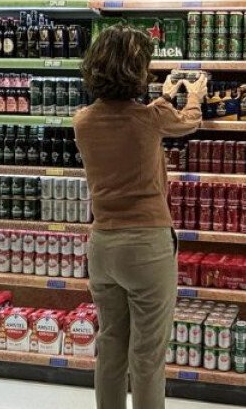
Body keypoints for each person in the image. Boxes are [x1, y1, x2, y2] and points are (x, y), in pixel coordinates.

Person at [73, 25, 207, 409]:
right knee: (147, 355)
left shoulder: (82, 121)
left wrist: (163, 97)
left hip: (103, 246)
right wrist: (193, 95)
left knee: (111, 345)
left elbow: (131, 119)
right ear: (137, 71)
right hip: (147, 246)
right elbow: (189, 120)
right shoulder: (151, 118)